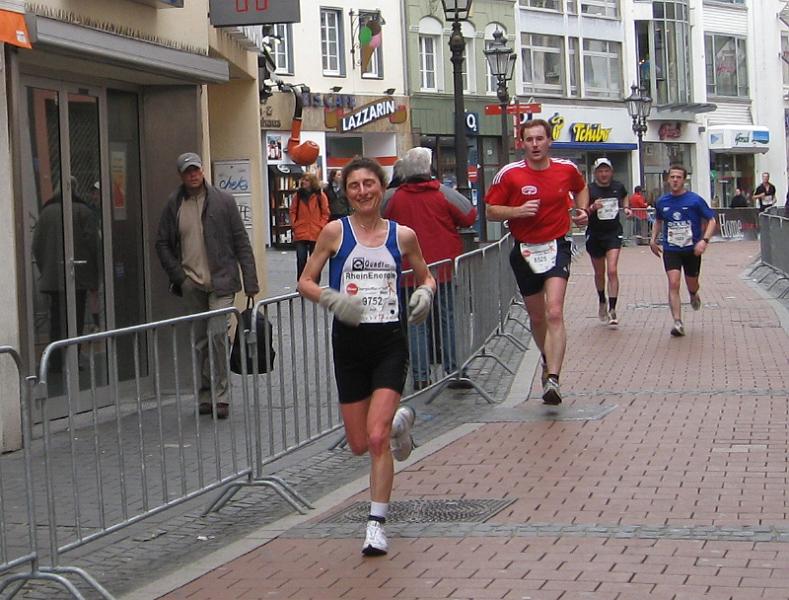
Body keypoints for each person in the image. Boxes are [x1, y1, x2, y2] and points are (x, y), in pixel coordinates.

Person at [297, 157, 436, 557]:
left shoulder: (402, 235)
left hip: (389, 342)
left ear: (382, 187)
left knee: (376, 439)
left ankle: (376, 525)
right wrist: (332, 299)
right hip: (349, 346)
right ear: (346, 192)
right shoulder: (334, 232)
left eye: (369, 184)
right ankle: (399, 423)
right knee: (359, 443)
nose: (362, 192)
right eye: (354, 186)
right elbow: (305, 281)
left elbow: (425, 274)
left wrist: (425, 293)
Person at [485, 119, 589, 405]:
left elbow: (581, 187)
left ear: (549, 141)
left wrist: (582, 210)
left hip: (557, 245)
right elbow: (491, 210)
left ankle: (553, 378)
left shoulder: (566, 169)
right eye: (529, 139)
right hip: (525, 250)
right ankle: (546, 358)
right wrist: (517, 211)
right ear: (522, 143)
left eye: (540, 139)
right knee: (537, 317)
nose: (535, 145)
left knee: (554, 311)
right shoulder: (510, 174)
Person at [156, 152, 259, 419]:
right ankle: (205, 393)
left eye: (196, 169)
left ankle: (221, 395)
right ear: (181, 175)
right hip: (192, 283)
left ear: (202, 170)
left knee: (216, 335)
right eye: (188, 171)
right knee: (201, 341)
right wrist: (180, 278)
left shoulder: (224, 201)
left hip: (222, 282)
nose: (193, 174)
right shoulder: (174, 204)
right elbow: (162, 243)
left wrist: (250, 281)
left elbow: (241, 241)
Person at [381, 147, 477, 390]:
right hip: (442, 269)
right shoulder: (443, 194)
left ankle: (421, 376)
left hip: (408, 272)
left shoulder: (393, 198)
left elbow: (376, 220)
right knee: (448, 319)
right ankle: (454, 370)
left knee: (416, 323)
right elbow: (469, 215)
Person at [33, 177, 101, 372]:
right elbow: (93, 244)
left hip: (53, 276)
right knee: (76, 319)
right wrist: (95, 273)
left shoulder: (46, 212)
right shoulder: (83, 211)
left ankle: (54, 362)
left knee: (55, 318)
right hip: (78, 275)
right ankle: (73, 359)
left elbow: (36, 245)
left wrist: (46, 268)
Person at [649, 164, 716, 338]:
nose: (675, 180)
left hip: (691, 249)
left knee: (692, 283)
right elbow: (658, 221)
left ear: (684, 180)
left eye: (678, 177)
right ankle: (677, 322)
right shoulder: (662, 201)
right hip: (671, 248)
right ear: (667, 179)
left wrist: (704, 241)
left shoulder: (695, 200)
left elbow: (712, 221)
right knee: (674, 283)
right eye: (672, 177)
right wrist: (653, 239)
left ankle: (693, 294)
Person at [585, 158, 629, 326]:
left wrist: (626, 208)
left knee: (612, 270)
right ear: (595, 173)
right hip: (595, 234)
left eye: (606, 171)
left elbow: (625, 196)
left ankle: (613, 308)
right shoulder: (589, 189)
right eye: (600, 171)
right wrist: (592, 208)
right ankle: (602, 300)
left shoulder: (618, 187)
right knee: (599, 273)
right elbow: (581, 211)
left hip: (613, 233)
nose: (604, 174)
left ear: (611, 172)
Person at [289, 172, 329, 280]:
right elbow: (292, 211)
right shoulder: (298, 196)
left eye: (306, 180)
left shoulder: (320, 196)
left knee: (315, 260)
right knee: (301, 259)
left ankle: (314, 282)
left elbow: (325, 213)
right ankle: (301, 282)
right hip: (301, 231)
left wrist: (321, 226)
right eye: (303, 180)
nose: (303, 182)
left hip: (316, 232)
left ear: (312, 182)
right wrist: (295, 225)